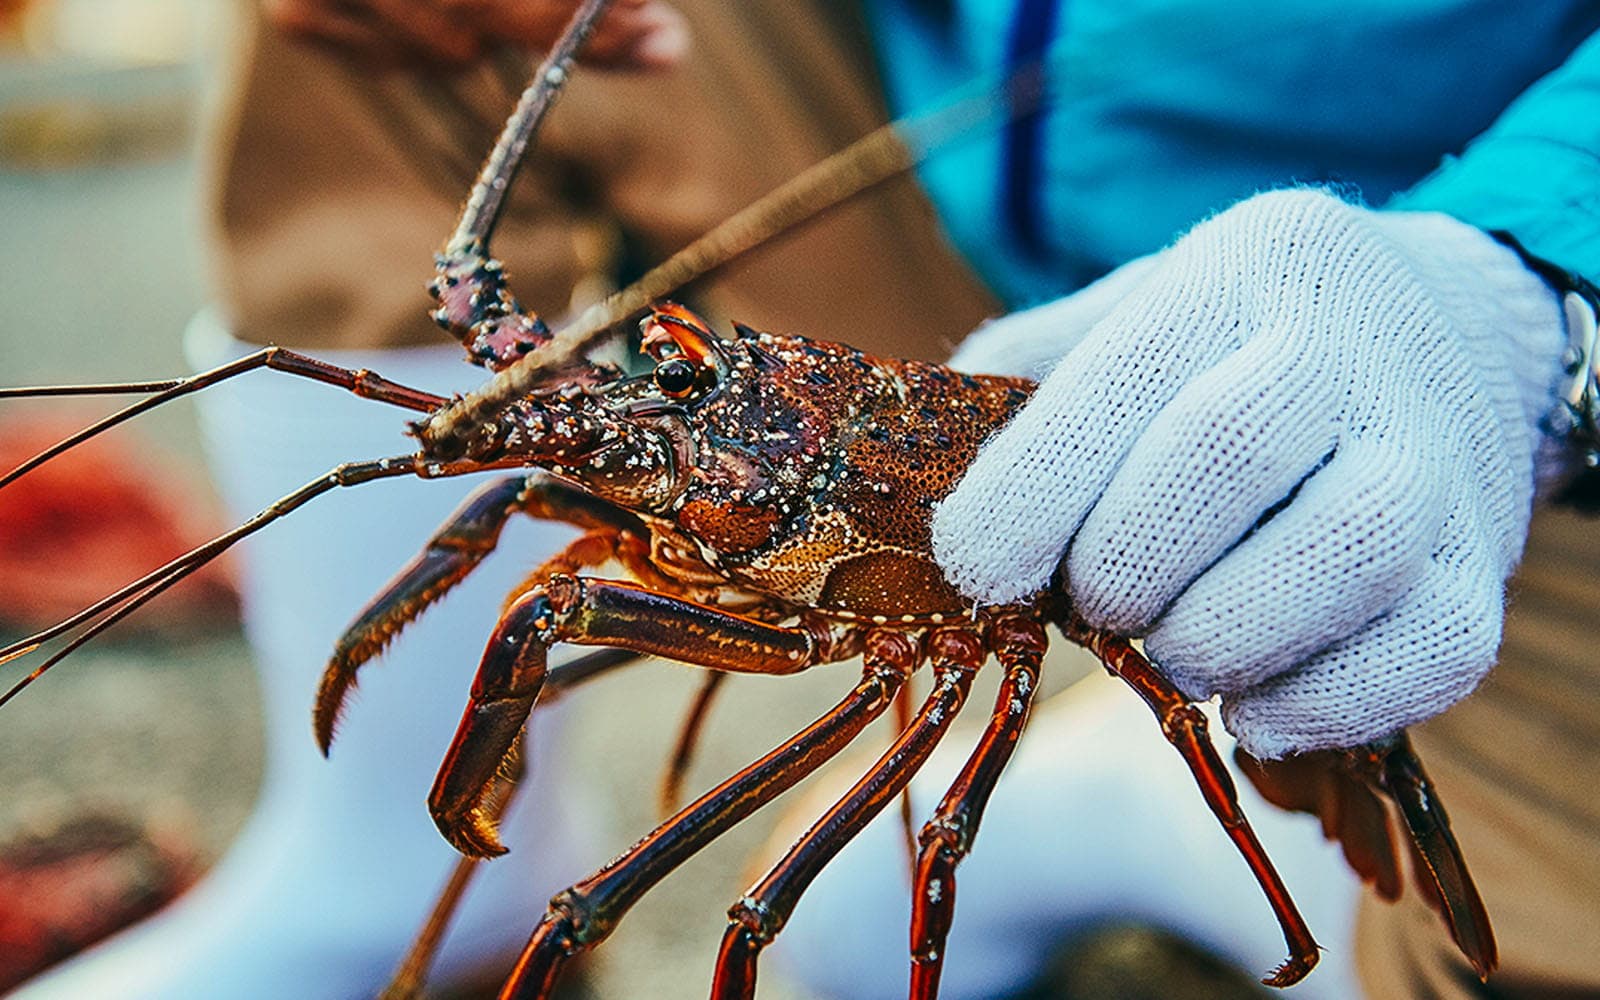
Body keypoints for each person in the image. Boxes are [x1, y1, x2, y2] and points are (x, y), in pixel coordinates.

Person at [19, 2, 1599, 998]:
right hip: (928, 161)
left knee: (1525, 950)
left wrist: (1529, 278)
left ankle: (1127, 784)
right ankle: (380, 873)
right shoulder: (699, 460)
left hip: (1413, 322)